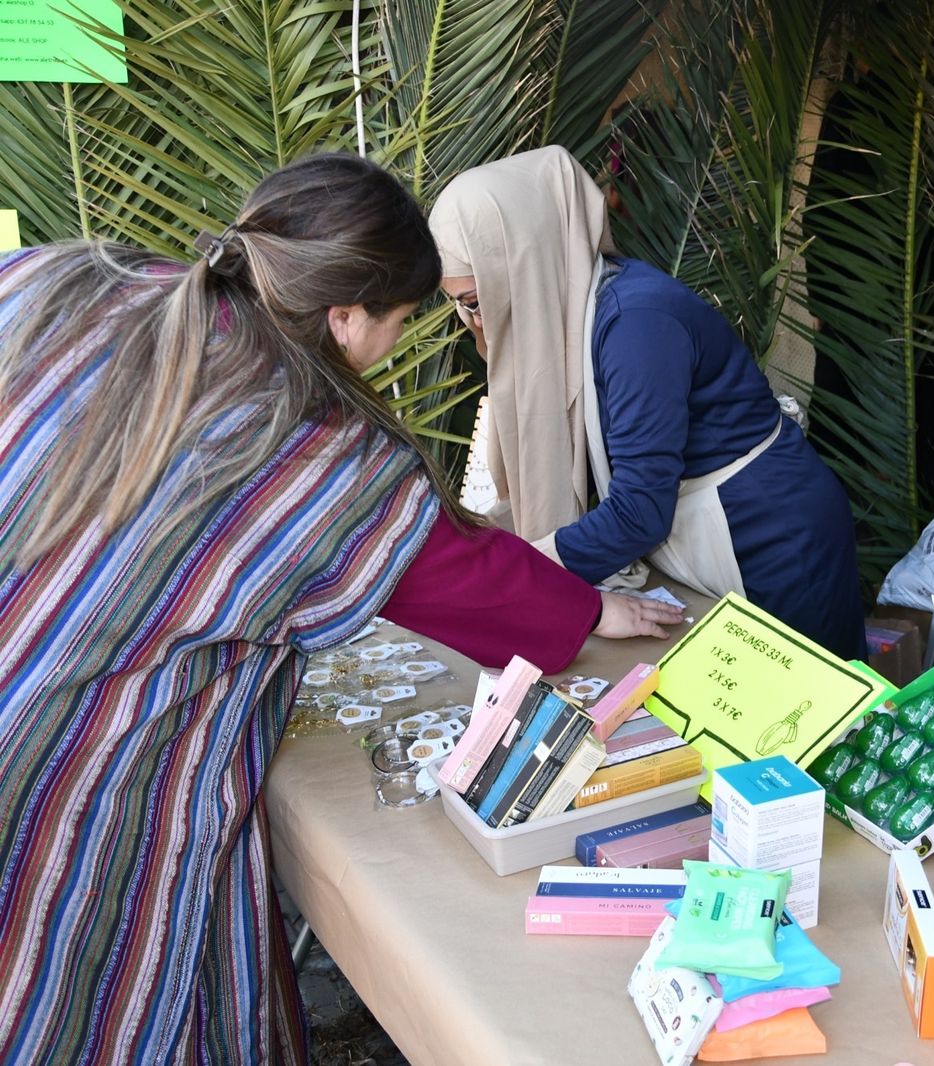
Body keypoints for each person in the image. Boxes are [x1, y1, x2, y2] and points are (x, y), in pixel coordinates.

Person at [0, 154, 678, 1065]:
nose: (394, 345)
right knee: (79, 981)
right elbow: (454, 574)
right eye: (400, 321)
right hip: (69, 759)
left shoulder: (79, 278)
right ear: (345, 314)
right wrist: (588, 610)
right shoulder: (307, 441)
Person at [427, 146, 867, 659]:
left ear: (527, 259)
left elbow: (639, 511)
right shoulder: (578, 315)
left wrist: (521, 572)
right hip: (703, 527)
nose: (474, 323)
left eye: (477, 303)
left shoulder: (636, 324)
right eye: (458, 304)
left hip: (771, 538)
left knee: (810, 714)